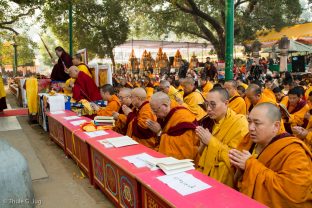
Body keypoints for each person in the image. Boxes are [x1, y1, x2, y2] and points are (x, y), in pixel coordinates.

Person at [229, 103, 312, 207]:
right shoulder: (249, 139)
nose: (251, 128)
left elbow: (295, 194)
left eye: (257, 123)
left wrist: (250, 165)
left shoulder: (293, 151)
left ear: (276, 126)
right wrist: (239, 169)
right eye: (249, 121)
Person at [196, 88, 249, 187]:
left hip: (223, 182)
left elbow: (235, 159)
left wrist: (210, 141)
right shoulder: (207, 122)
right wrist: (203, 145)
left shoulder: (239, 123)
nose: (208, 109)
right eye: (207, 104)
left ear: (226, 103)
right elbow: (201, 155)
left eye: (213, 104)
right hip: (204, 176)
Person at [147, 92, 199, 160]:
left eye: (155, 110)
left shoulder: (182, 117)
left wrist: (159, 132)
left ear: (165, 105)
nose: (153, 113)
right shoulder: (166, 114)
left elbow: (180, 151)